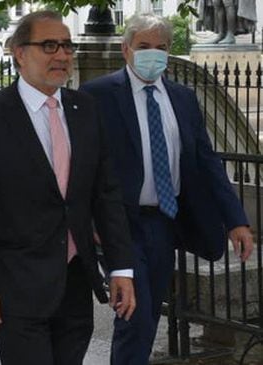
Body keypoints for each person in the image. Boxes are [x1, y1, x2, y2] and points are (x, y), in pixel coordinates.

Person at [0, 10, 136, 365]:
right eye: (49, 45)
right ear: (19, 53)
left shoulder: (85, 108)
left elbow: (105, 195)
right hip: (16, 287)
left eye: (67, 46)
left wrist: (121, 268)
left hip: (75, 282)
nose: (62, 55)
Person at [79, 13, 254, 365]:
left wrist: (236, 220)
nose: (153, 54)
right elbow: (83, 166)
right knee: (134, 311)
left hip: (164, 223)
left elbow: (207, 163)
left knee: (147, 313)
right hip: (119, 225)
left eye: (161, 48)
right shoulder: (98, 95)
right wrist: (91, 222)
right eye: (144, 46)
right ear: (126, 50)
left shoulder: (183, 98)